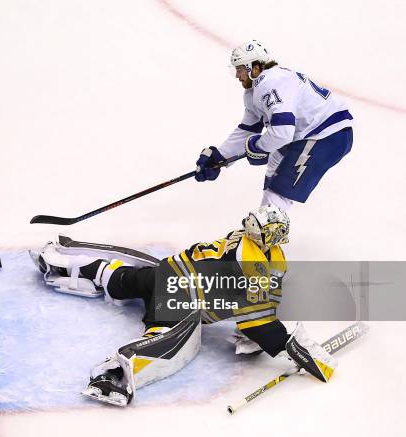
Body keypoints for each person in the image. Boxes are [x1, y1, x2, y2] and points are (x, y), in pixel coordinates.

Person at [30, 205, 337, 407]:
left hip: (166, 272)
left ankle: (73, 266)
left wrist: (259, 327)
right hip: (179, 295)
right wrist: (285, 344)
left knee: (127, 279)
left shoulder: (246, 242)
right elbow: (257, 317)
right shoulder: (253, 261)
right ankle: (113, 376)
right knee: (164, 338)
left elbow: (259, 301)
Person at [195, 40, 353, 211]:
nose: (237, 75)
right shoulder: (256, 90)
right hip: (311, 134)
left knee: (279, 189)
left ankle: (267, 231)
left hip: (326, 136)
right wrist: (220, 157)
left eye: (240, 69)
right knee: (275, 164)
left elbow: (282, 132)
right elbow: (247, 130)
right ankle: (264, 223)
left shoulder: (270, 83)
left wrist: (258, 147)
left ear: (254, 68)